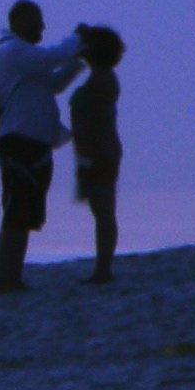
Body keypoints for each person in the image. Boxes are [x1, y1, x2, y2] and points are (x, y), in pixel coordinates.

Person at [0, 0, 89, 292]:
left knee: (25, 213)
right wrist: (77, 39)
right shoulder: (12, 51)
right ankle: (4, 280)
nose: (42, 27)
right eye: (36, 20)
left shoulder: (26, 58)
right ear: (19, 21)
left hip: (34, 141)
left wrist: (78, 60)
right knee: (16, 211)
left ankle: (11, 277)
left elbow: (54, 84)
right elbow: (54, 56)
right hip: (18, 141)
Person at [69, 24, 127, 281]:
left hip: (97, 153)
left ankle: (103, 269)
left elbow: (88, 122)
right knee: (104, 212)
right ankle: (103, 268)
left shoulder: (100, 82)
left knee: (103, 212)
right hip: (103, 151)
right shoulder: (105, 79)